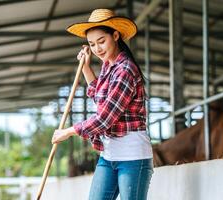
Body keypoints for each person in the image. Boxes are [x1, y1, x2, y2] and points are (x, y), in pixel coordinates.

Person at [51, 9, 153, 200]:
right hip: (108, 155)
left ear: (115, 35)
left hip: (132, 156)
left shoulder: (125, 70)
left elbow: (105, 118)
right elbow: (100, 99)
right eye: (92, 44)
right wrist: (86, 67)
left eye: (101, 41)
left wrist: (69, 131)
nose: (97, 49)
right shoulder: (108, 66)